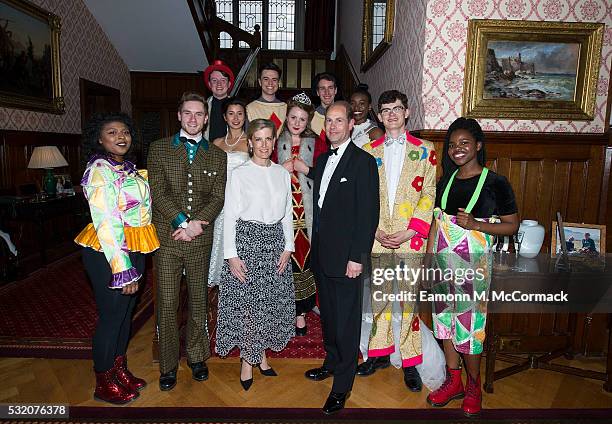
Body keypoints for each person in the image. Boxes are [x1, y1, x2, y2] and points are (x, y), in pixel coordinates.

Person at [426, 117, 518, 417]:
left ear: (478, 145)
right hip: (442, 265)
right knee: (445, 324)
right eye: (452, 145)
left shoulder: (496, 183)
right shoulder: (446, 180)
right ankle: (454, 381)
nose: (457, 150)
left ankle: (473, 386)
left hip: (472, 270)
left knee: (469, 328)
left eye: (464, 143)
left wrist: (475, 223)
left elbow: (511, 226)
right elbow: (436, 223)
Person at [75, 112, 160, 404]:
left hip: (134, 244)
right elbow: (108, 221)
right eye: (112, 133)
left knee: (126, 314)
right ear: (99, 139)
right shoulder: (100, 170)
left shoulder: (127, 168)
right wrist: (122, 268)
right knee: (112, 317)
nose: (121, 137)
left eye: (124, 132)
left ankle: (118, 370)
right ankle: (103, 381)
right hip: (109, 251)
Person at [358, 90, 437, 392]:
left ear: (407, 112)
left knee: (407, 303)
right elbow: (363, 196)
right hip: (378, 236)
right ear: (378, 115)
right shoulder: (368, 149)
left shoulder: (425, 149)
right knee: (379, 299)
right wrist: (373, 229)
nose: (391, 114)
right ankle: (378, 353)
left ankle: (409, 361)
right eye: (385, 109)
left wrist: (412, 230)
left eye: (397, 109)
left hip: (410, 238)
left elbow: (429, 193)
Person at [148, 91, 227, 391]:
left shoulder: (217, 155)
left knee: (198, 302)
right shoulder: (158, 149)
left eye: (199, 114)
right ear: (179, 116)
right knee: (167, 303)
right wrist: (182, 222)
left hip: (200, 239)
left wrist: (196, 227)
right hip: (167, 239)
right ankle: (168, 364)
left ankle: (196, 356)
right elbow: (158, 190)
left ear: (206, 119)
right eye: (188, 113)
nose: (193, 119)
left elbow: (217, 197)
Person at [304, 101, 379, 415]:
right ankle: (332, 361)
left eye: (339, 120)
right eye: (329, 121)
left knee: (347, 323)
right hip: (322, 254)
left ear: (351, 124)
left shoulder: (363, 162)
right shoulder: (321, 160)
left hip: (348, 259)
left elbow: (367, 214)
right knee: (330, 316)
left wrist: (356, 257)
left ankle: (342, 385)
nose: (333, 126)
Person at [216, 119, 295, 391]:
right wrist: (231, 255)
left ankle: (260, 355)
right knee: (250, 305)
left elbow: (287, 214)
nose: (264, 145)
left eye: (268, 139)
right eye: (258, 139)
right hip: (246, 243)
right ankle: (247, 362)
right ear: (249, 142)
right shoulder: (239, 173)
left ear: (275, 142)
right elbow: (230, 217)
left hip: (275, 243)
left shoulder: (282, 174)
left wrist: (289, 247)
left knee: (268, 303)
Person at [273, 92, 327, 335]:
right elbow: (263, 174)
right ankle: (285, 308)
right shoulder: (274, 140)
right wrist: (278, 171)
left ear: (308, 121)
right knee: (284, 261)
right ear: (286, 117)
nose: (296, 122)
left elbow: (328, 177)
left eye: (302, 119)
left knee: (304, 261)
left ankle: (302, 312)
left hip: (307, 214)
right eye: (293, 117)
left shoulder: (319, 143)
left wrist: (307, 169)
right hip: (282, 213)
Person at [208, 98, 250, 287]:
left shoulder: (251, 141)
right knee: (219, 242)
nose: (235, 118)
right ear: (224, 117)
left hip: (243, 203)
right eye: (231, 113)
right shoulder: (216, 143)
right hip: (220, 201)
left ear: (245, 116)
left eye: (239, 113)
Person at [246, 63, 287, 133]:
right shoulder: (249, 109)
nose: (270, 83)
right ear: (260, 82)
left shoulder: (286, 108)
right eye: (266, 79)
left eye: (274, 80)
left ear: (278, 83)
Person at [203, 60, 235, 141]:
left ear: (229, 84)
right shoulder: (202, 107)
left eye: (223, 80)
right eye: (214, 80)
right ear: (209, 84)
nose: (219, 84)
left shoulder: (237, 107)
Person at [349, 84, 383, 148]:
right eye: (352, 103)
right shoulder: (344, 127)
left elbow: (379, 157)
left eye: (361, 103)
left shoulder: (376, 133)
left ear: (369, 106)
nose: (356, 108)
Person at [310, 72, 339, 141]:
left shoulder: (344, 115)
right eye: (322, 88)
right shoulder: (310, 116)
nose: (327, 92)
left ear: (335, 90)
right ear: (317, 92)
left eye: (330, 88)